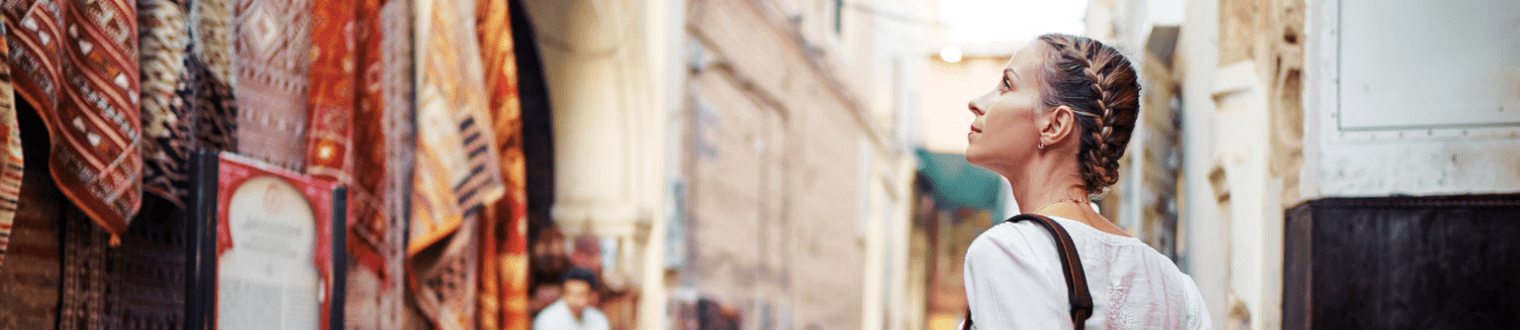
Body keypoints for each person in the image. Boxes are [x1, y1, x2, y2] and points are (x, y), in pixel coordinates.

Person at [961, 33, 1211, 329]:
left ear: (1055, 125)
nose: (976, 103)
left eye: (1006, 85)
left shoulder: (1013, 251)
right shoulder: (1177, 287)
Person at [533, 267, 610, 330]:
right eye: (570, 294)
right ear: (562, 294)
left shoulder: (598, 319)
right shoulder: (547, 320)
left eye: (581, 295)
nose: (574, 301)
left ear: (591, 296)